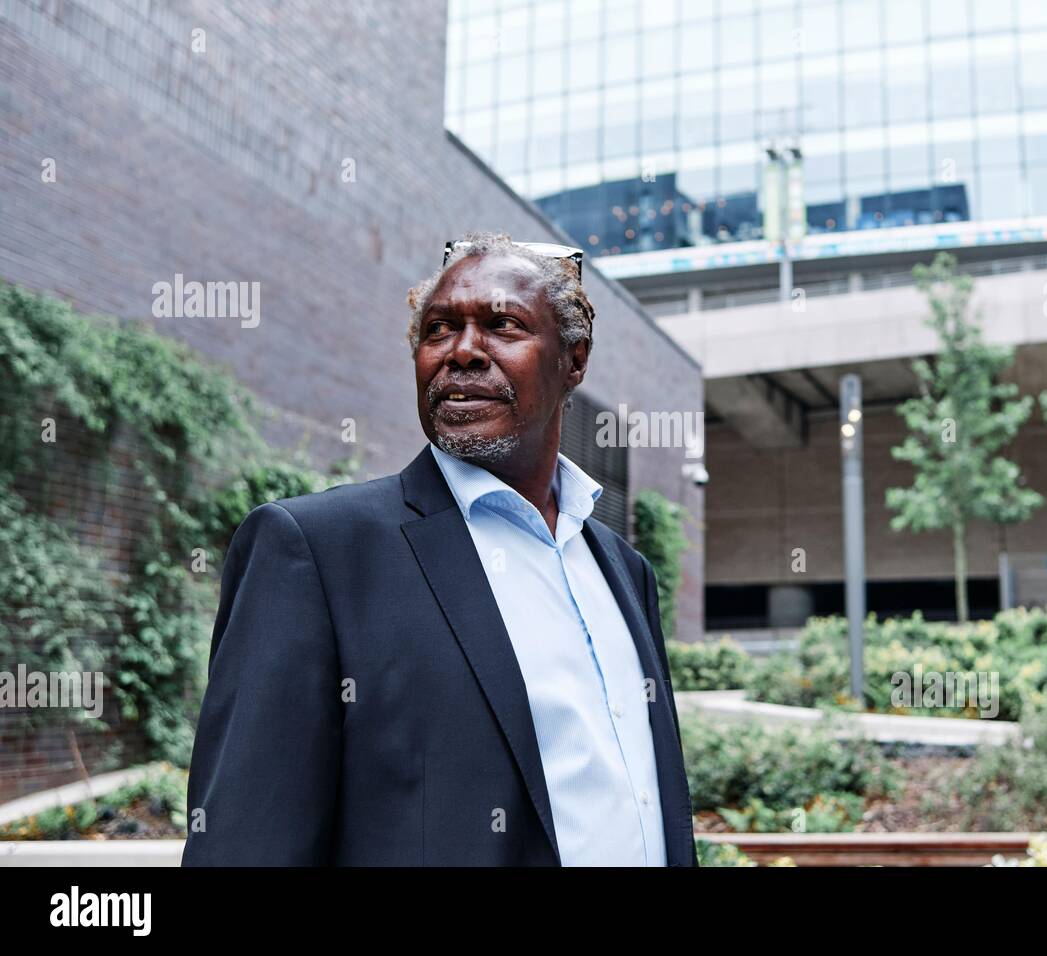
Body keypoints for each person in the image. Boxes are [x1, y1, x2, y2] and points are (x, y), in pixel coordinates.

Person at [182, 231, 696, 866]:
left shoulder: (623, 569)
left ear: (574, 360)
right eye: (439, 330)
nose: (464, 352)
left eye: (503, 325)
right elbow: (245, 844)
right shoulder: (316, 553)